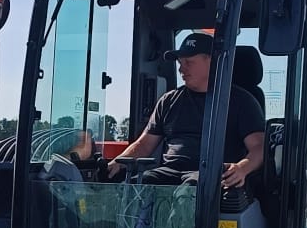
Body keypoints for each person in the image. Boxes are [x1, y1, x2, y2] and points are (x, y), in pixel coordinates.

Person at [112, 33, 265, 190]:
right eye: (180, 62)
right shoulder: (168, 101)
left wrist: (242, 168)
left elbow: (259, 147)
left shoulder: (242, 102)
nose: (181, 69)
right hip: (169, 171)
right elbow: (144, 145)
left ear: (212, 61)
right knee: (134, 187)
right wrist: (117, 162)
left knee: (189, 192)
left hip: (212, 175)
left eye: (188, 62)